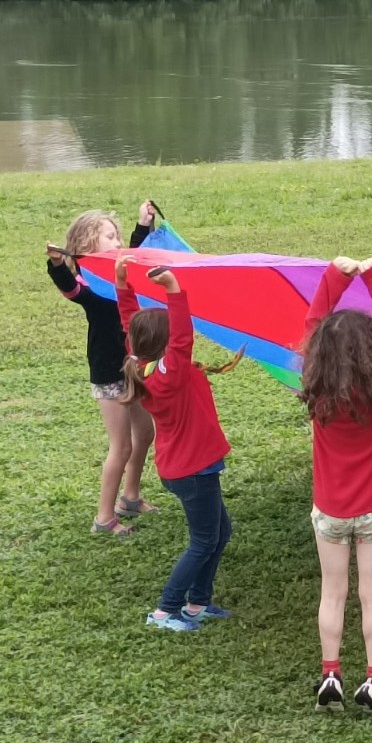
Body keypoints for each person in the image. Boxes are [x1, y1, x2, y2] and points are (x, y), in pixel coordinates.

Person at [301, 255, 372, 715]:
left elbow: (311, 322)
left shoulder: (315, 383)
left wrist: (334, 276)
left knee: (333, 592)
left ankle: (331, 675)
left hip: (330, 509)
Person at [115, 256, 234, 633]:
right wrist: (173, 291)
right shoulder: (169, 374)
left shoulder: (142, 364)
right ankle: (166, 611)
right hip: (193, 470)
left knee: (220, 533)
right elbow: (183, 338)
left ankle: (198, 602)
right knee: (203, 541)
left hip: (190, 466)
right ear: (166, 346)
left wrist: (123, 286)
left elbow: (130, 326)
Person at [47, 202, 159, 536]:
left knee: (146, 434)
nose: (117, 241)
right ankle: (104, 517)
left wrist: (143, 225)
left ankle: (131, 497)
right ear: (86, 249)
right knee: (121, 445)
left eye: (117, 236)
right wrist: (56, 265)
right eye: (109, 237)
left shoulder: (120, 274)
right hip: (109, 374)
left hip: (132, 369)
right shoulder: (89, 285)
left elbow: (132, 257)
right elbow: (71, 289)